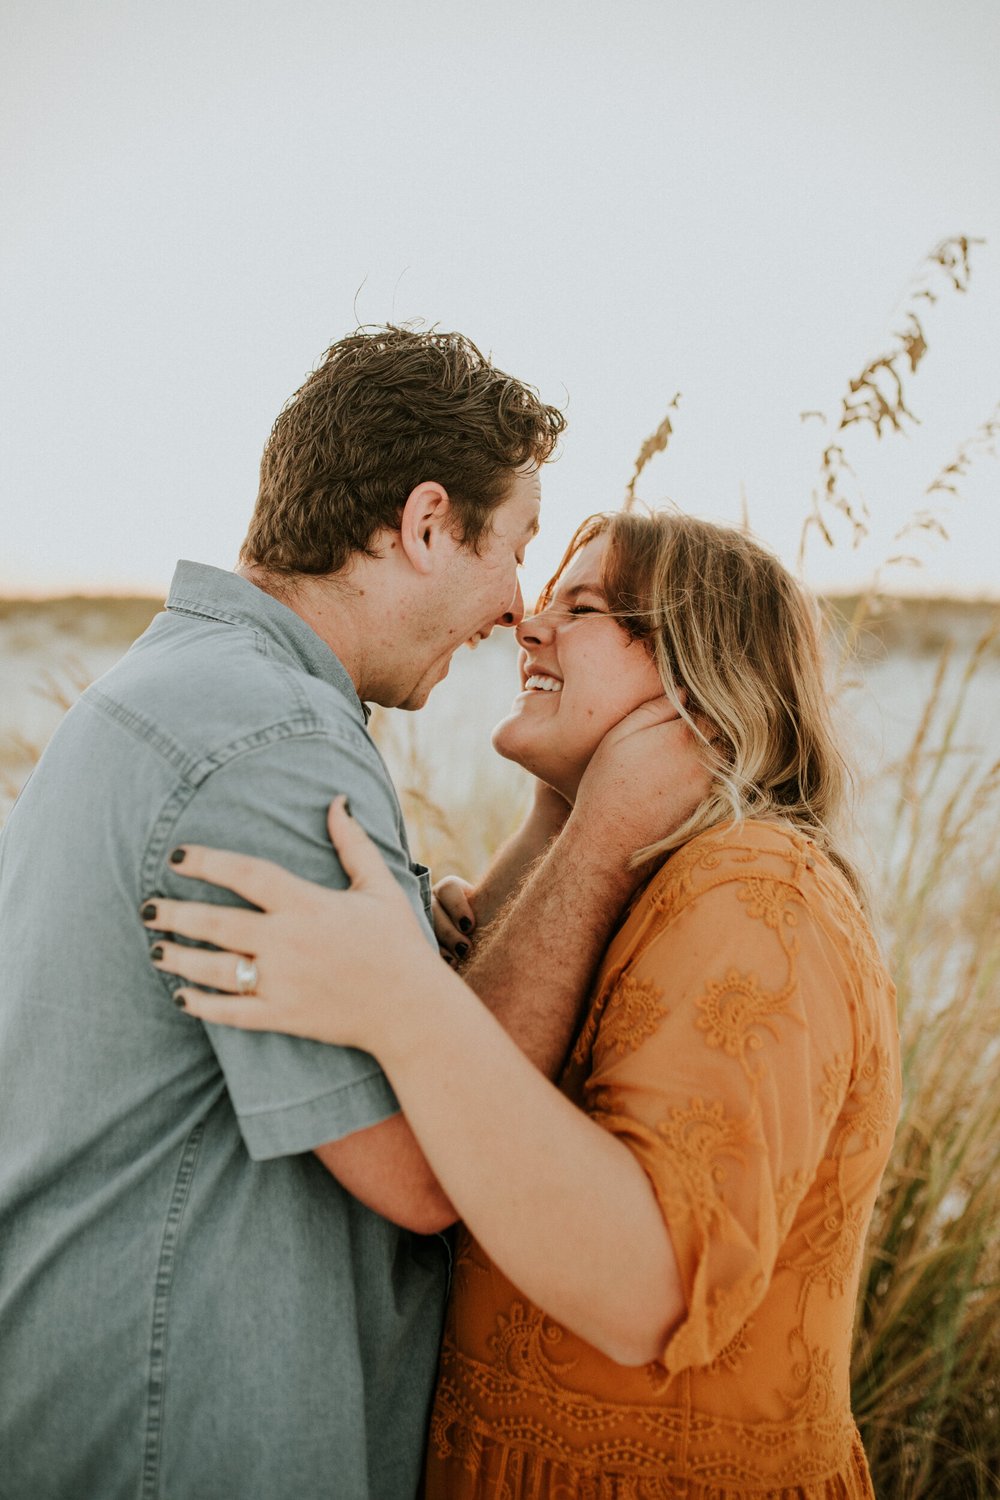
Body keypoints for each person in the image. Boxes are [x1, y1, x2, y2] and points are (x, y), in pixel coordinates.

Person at [0, 328, 709, 1500]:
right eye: (516, 551)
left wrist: (537, 826)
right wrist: (602, 836)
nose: (511, 609)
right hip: (175, 1430)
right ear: (428, 523)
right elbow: (434, 1165)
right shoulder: (268, 748)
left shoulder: (186, 690)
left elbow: (399, 1018)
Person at [145, 509, 901, 1498]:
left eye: (580, 607)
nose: (527, 626)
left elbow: (645, 1287)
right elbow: (489, 1094)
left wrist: (400, 998)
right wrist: (566, 818)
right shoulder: (650, 875)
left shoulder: (753, 894)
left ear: (698, 688)